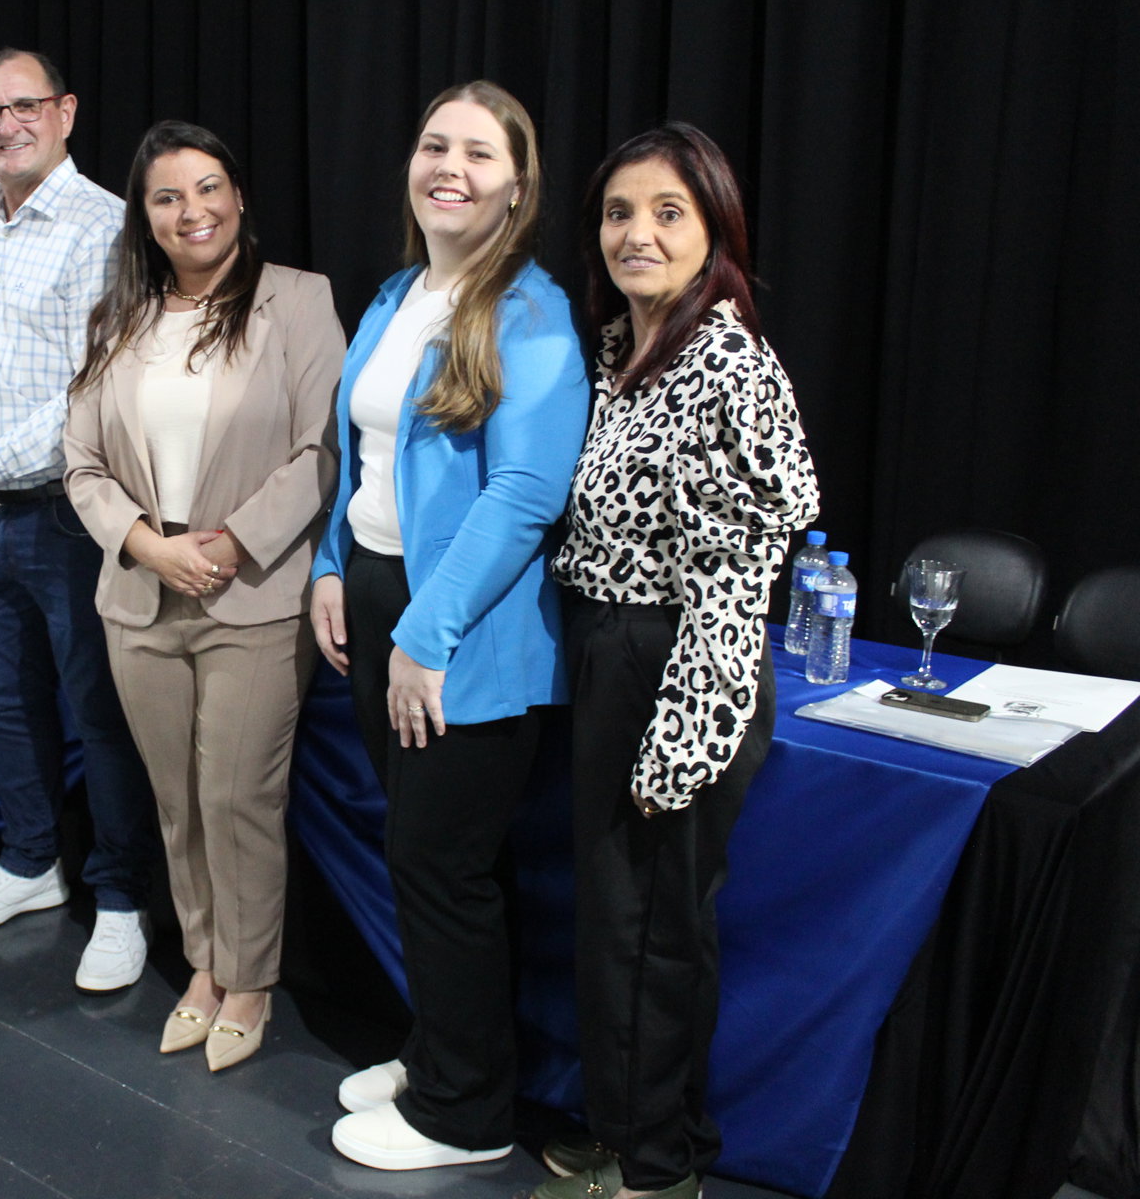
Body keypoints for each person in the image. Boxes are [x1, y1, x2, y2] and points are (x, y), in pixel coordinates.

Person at [536, 124, 820, 1199]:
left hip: (677, 666)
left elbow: (735, 584)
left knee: (652, 930)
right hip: (615, 653)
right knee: (623, 922)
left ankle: (654, 1172)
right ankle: (637, 1134)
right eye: (619, 212)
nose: (637, 234)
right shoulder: (626, 348)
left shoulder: (726, 363)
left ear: (715, 231)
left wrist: (681, 741)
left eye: (668, 212)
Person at [316, 81, 589, 1169]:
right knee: (424, 859)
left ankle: (465, 1114)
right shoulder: (398, 294)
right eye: (436, 145)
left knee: (442, 865)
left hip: (465, 631)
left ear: (517, 187)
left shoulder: (532, 312)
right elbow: (362, 454)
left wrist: (424, 637)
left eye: (480, 153)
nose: (451, 168)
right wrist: (332, 566)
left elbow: (525, 494)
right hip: (379, 597)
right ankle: (443, 1052)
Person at [63, 121, 344, 1067]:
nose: (193, 210)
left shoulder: (298, 300)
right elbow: (82, 462)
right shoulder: (119, 316)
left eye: (209, 187)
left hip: (251, 590)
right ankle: (204, 965)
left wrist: (226, 545)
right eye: (168, 196)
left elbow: (321, 450)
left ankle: (251, 980)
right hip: (141, 591)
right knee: (177, 800)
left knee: (236, 798)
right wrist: (149, 546)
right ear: (144, 217)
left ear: (238, 196)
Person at [0, 48, 159, 992]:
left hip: (71, 517)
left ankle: (122, 898)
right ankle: (30, 863)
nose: (6, 125)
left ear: (66, 112)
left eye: (25, 106)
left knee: (99, 715)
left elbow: (92, 394)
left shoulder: (108, 227)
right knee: (8, 705)